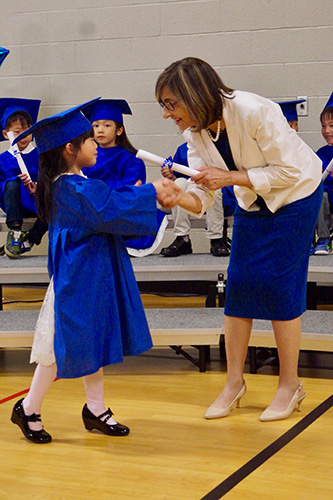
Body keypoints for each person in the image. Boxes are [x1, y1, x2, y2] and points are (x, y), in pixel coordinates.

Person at [155, 57, 323, 422]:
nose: (168, 114)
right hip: (255, 199)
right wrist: (175, 195)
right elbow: (204, 198)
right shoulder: (194, 132)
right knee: (240, 285)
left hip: (297, 195)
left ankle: (289, 384)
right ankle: (234, 383)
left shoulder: (254, 110)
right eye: (164, 106)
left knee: (280, 286)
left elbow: (289, 171)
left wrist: (229, 177)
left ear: (195, 94)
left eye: (172, 104)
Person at [10, 98, 182, 444]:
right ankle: (28, 408)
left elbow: (108, 198)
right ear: (71, 149)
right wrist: (152, 193)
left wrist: (145, 194)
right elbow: (108, 207)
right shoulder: (71, 188)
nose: (96, 143)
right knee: (58, 346)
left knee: (91, 339)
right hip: (76, 279)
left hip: (90, 273)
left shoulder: (73, 182)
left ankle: (95, 408)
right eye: (90, 139)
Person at [82, 98, 168, 257]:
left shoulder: (131, 159)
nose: (100, 130)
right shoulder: (86, 158)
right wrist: (112, 186)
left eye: (107, 125)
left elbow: (132, 189)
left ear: (119, 130)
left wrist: (97, 187)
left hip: (120, 207)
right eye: (95, 125)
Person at [160, 142, 230, 257]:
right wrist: (170, 175)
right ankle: (182, 237)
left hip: (215, 187)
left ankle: (216, 238)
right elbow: (177, 175)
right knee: (177, 184)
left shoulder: (217, 146)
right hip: (191, 188)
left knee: (214, 188)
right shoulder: (183, 149)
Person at [0, 98, 48, 258]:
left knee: (56, 204)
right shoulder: (3, 159)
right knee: (12, 184)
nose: (24, 136)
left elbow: (48, 180)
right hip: (14, 204)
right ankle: (15, 230)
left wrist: (35, 185)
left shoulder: (39, 156)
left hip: (35, 201)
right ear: (6, 134)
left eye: (28, 130)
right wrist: (15, 182)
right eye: (17, 131)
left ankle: (30, 239)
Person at [313, 92, 333, 255]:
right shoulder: (321, 154)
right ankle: (324, 238)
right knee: (320, 194)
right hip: (327, 201)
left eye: (332, 125)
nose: (326, 131)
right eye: (323, 125)